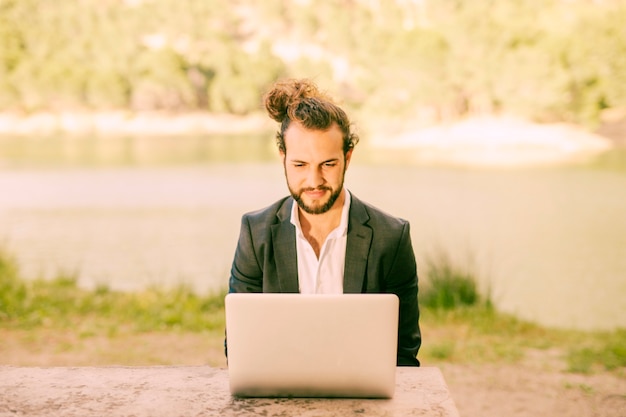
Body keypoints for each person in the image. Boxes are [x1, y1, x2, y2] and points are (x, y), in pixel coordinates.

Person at [228, 78, 421, 366]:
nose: (314, 181)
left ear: (348, 157)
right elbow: (239, 347)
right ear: (283, 158)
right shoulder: (255, 234)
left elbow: (404, 353)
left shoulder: (391, 237)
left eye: (328, 164)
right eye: (300, 165)